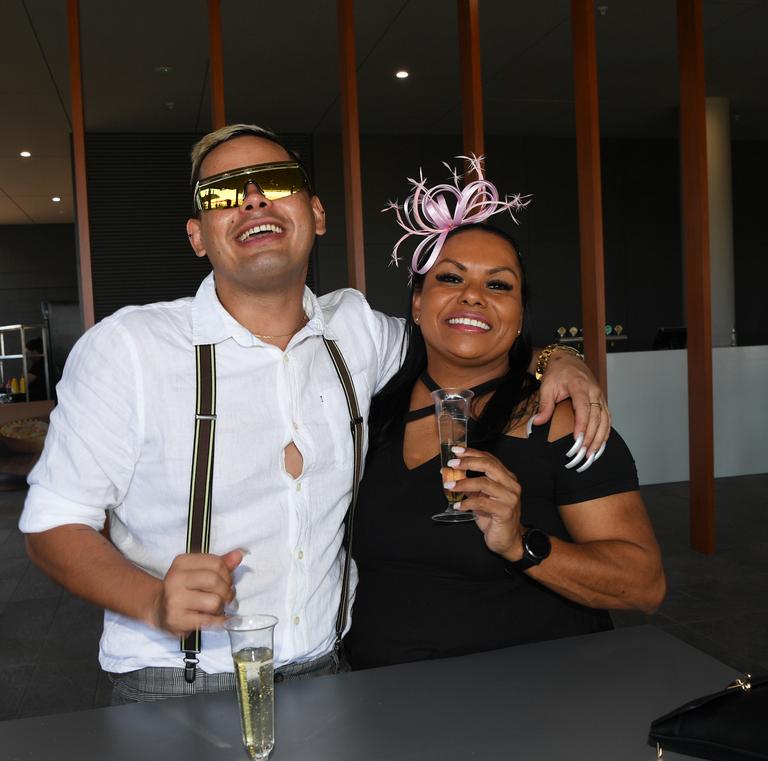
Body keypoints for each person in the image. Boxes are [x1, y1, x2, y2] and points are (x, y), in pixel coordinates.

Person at [19, 125, 610, 703]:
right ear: (198, 236)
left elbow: (462, 334)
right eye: (223, 193)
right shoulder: (128, 347)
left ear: (317, 215)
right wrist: (150, 600)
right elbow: (52, 524)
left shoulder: (357, 331)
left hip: (332, 672)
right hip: (176, 683)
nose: (253, 199)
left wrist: (560, 356)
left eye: (274, 181)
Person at [344, 161, 666, 670]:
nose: (472, 295)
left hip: (529, 709)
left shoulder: (557, 421)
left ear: (519, 319)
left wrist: (523, 544)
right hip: (379, 708)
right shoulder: (371, 408)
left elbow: (644, 585)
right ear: (418, 303)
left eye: (498, 286)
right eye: (450, 278)